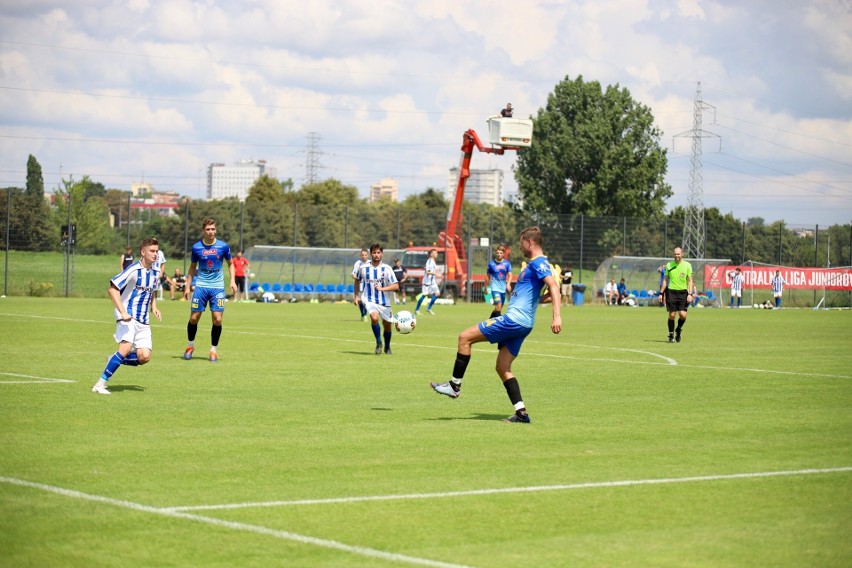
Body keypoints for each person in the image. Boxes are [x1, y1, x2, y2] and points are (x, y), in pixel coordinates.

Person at [430, 227, 561, 423]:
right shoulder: (536, 264)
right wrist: (540, 300)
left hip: (513, 321)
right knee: (502, 367)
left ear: (530, 243)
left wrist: (557, 316)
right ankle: (521, 413)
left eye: (521, 243)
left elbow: (554, 286)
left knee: (464, 337)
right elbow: (547, 293)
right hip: (524, 323)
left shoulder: (539, 264)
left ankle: (454, 386)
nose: (520, 247)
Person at [92, 237, 162, 395]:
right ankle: (100, 384)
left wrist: (154, 307)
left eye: (157, 251)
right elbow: (113, 289)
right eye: (152, 251)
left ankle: (114, 358)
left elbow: (151, 291)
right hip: (128, 316)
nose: (155, 254)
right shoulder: (133, 269)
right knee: (125, 348)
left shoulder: (155, 272)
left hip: (144, 320)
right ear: (143, 252)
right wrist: (123, 312)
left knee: (144, 357)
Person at [183, 218, 237, 362]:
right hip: (201, 286)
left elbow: (231, 264)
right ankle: (190, 345)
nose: (211, 232)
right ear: (203, 231)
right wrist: (188, 287)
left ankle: (213, 350)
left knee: (217, 320)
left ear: (216, 230)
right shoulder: (197, 247)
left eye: (213, 229)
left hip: (217, 287)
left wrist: (232, 280)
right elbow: (192, 267)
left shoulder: (223, 247)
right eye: (208, 229)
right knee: (194, 318)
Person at [353, 243, 399, 355]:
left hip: (384, 301)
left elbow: (396, 286)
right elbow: (357, 280)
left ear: (382, 254)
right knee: (374, 318)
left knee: (387, 324)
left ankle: (387, 346)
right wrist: (356, 296)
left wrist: (383, 289)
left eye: (378, 252)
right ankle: (379, 343)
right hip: (368, 299)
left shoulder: (387, 269)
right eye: (374, 253)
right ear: (371, 254)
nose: (376, 255)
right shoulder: (363, 268)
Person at [659, 246, 695, 343]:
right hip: (671, 292)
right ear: (673, 254)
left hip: (683, 292)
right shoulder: (669, 265)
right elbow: (665, 280)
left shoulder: (687, 265)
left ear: (682, 254)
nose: (676, 256)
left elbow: (690, 280)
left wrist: (690, 294)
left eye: (678, 254)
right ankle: (671, 335)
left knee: (683, 315)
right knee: (672, 314)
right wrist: (661, 293)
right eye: (675, 254)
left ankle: (678, 329)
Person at [486, 245, 512, 318]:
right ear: (495, 253)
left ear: (503, 254)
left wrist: (508, 284)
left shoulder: (507, 263)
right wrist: (486, 288)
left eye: (500, 253)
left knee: (498, 308)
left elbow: (510, 275)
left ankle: (489, 321)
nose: (499, 254)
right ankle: (499, 325)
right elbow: (487, 277)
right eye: (497, 253)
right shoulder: (491, 264)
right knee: (498, 306)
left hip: (503, 288)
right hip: (495, 288)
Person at [415, 248, 440, 315]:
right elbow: (427, 271)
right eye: (435, 253)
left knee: (437, 293)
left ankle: (429, 308)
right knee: (424, 295)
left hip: (432, 282)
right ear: (431, 254)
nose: (436, 254)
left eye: (436, 253)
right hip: (427, 282)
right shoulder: (429, 261)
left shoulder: (433, 261)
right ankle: (417, 310)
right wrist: (436, 274)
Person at [351, 248, 370, 321]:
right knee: (360, 301)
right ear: (360, 255)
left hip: (368, 286)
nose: (364, 256)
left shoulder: (370, 263)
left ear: (367, 255)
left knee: (366, 301)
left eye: (365, 255)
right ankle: (363, 314)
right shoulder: (358, 263)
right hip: (360, 285)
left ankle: (364, 315)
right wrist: (356, 278)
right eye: (362, 255)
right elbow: (353, 274)